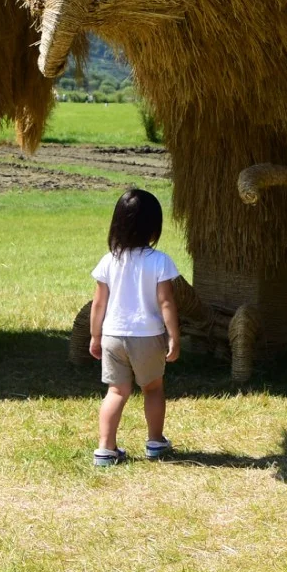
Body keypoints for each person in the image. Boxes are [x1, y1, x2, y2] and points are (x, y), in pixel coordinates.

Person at [87, 187, 182, 467]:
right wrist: (174, 336)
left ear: (118, 223)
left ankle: (105, 449)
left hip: (113, 335)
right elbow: (166, 303)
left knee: (116, 392)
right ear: (154, 226)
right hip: (147, 336)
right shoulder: (159, 261)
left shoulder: (109, 260)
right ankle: (155, 442)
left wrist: (95, 335)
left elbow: (98, 305)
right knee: (152, 389)